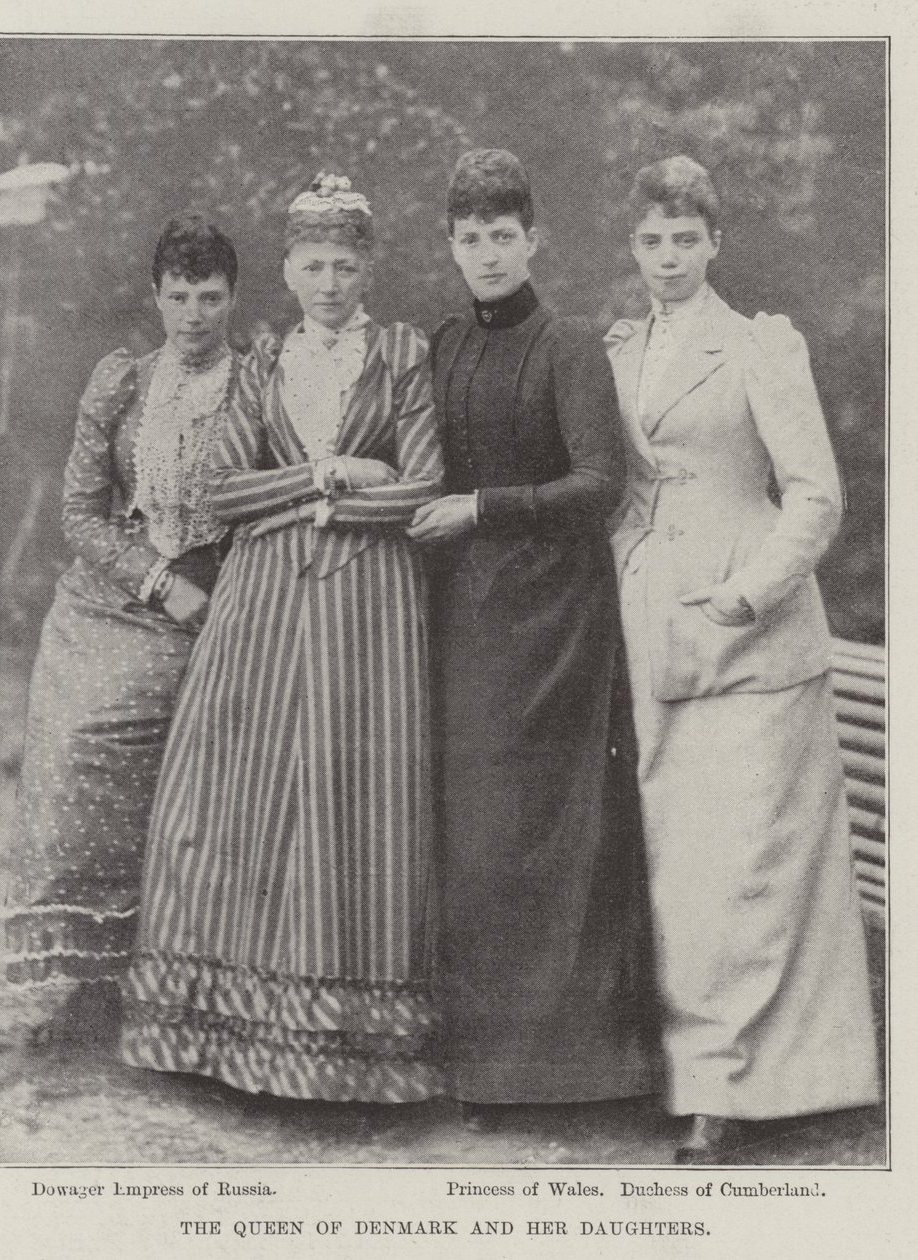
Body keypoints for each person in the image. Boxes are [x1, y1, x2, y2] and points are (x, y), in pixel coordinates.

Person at [121, 174, 445, 1103]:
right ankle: (222, 1029)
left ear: (367, 266)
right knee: (235, 785)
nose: (330, 281)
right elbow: (222, 491)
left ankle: (343, 1051)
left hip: (368, 601)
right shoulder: (262, 363)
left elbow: (420, 487)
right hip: (261, 599)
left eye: (346, 264)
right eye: (313, 264)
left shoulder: (400, 353)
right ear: (289, 269)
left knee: (354, 799)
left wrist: (335, 485)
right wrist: (330, 477)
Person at [605, 155, 880, 1163]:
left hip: (749, 636)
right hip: (651, 631)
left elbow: (812, 495)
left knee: (744, 866)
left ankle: (727, 1096)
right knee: (680, 867)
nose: (667, 258)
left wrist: (746, 591)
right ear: (631, 249)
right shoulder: (622, 346)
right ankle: (697, 1076)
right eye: (650, 241)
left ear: (713, 243)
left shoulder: (759, 346)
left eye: (685, 239)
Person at [409, 149, 657, 1125]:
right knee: (477, 839)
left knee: (547, 836)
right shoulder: (443, 343)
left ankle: (578, 1075)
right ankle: (485, 1074)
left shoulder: (567, 345)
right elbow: (421, 464)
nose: (485, 256)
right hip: (468, 618)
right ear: (451, 245)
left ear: (532, 241)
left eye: (501, 237)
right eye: (468, 239)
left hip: (555, 623)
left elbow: (599, 485)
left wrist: (481, 506)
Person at [3, 215, 241, 1041]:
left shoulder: (257, 385)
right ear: (155, 296)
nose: (194, 315)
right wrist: (153, 581)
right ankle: (90, 976)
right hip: (117, 599)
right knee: (76, 738)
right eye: (178, 296)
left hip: (220, 600)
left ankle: (177, 973)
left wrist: (212, 590)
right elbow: (78, 514)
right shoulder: (123, 383)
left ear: (232, 298)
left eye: (210, 296)